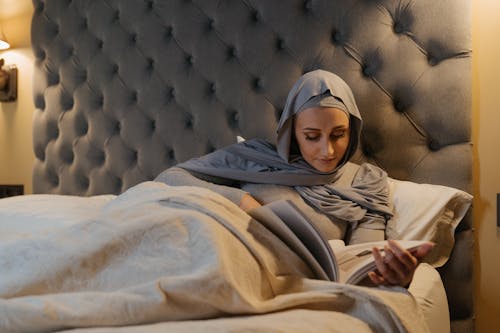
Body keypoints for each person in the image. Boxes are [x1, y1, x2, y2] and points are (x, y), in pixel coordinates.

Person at [155, 69, 433, 287]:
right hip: (216, 262)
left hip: (293, 283)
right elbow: (171, 178)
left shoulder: (365, 185)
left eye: (339, 134)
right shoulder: (254, 158)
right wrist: (242, 201)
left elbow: (361, 263)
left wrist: (392, 275)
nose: (328, 150)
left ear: (353, 130)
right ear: (292, 132)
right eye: (311, 137)